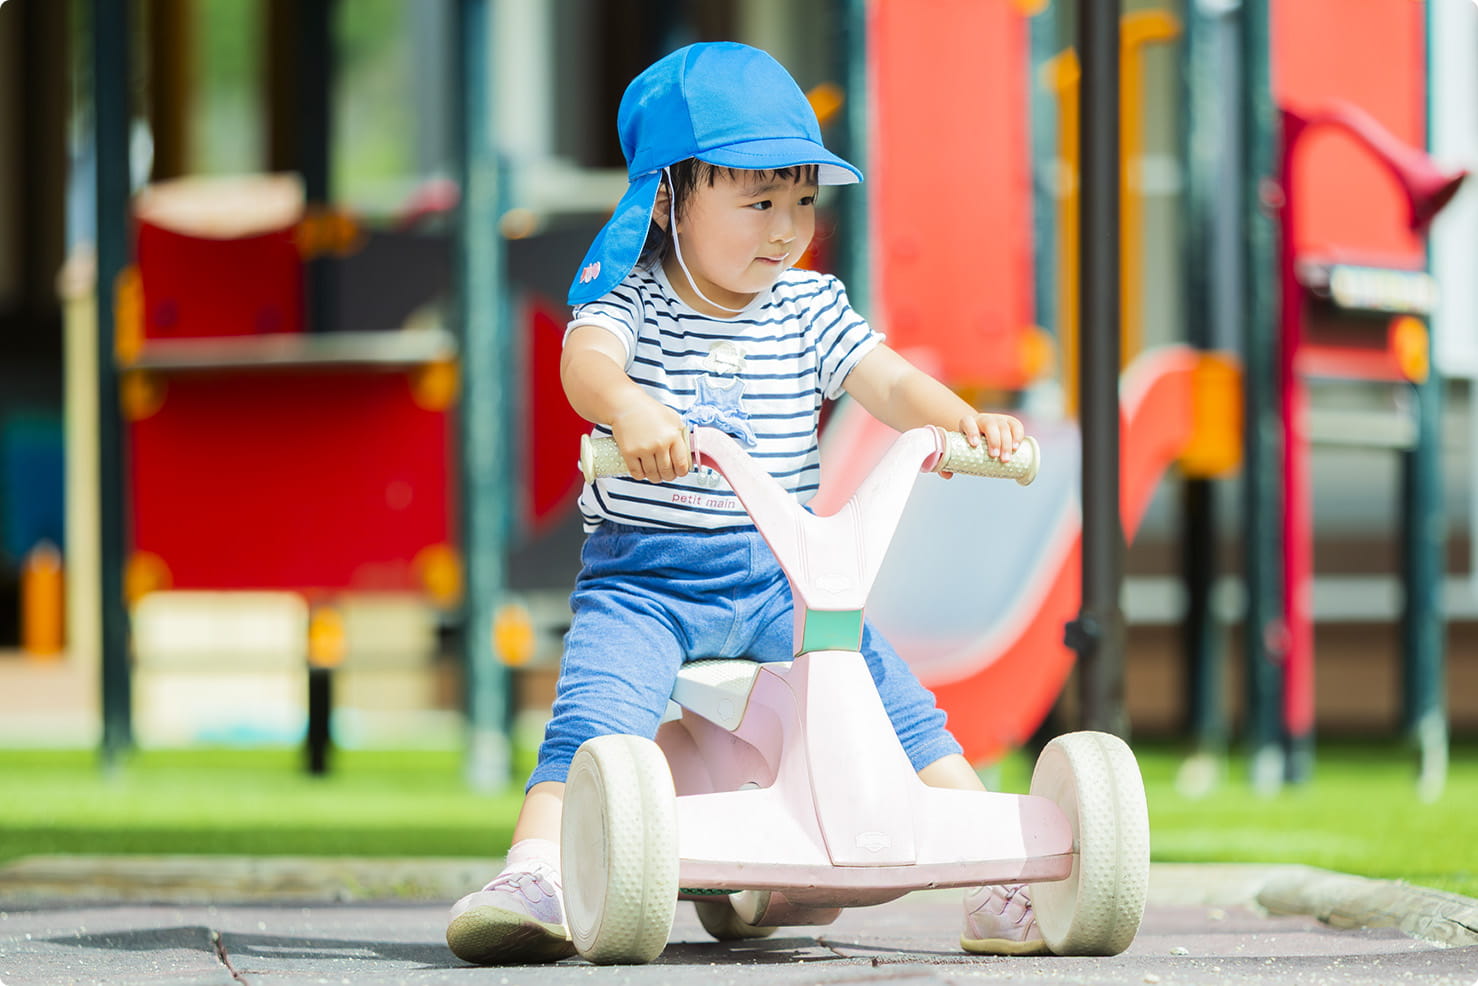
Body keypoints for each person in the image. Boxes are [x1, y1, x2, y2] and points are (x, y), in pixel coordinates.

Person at [446, 41, 1044, 965]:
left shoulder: (808, 306)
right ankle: (534, 872)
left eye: (802, 201)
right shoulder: (634, 300)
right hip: (646, 578)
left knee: (893, 700)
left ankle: (991, 874)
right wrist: (631, 408)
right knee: (599, 708)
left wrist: (959, 422)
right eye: (758, 201)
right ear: (673, 197)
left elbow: (883, 382)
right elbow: (586, 364)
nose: (784, 228)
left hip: (777, 578)